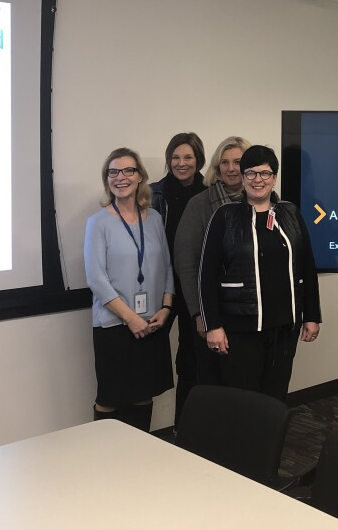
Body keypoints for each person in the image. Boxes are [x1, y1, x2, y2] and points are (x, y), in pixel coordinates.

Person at [197, 145, 321, 402]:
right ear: (242, 178)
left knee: (275, 398)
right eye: (251, 173)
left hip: (284, 327)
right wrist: (213, 326)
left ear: (274, 178)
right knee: (243, 400)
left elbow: (307, 266)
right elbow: (206, 275)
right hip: (241, 328)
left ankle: (271, 432)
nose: (258, 180)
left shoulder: (290, 213)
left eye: (265, 173)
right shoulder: (225, 216)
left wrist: (311, 315)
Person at [84, 148, 174, 431]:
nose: (120, 177)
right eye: (113, 172)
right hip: (114, 324)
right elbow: (96, 279)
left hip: (152, 322)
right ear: (107, 179)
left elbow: (167, 266)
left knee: (143, 395)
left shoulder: (155, 218)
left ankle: (139, 452)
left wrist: (166, 307)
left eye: (128, 170)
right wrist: (130, 318)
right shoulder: (98, 223)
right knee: (109, 397)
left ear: (140, 177)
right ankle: (105, 455)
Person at [173, 136, 250, 386]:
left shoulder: (264, 202)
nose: (231, 168)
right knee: (214, 382)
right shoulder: (200, 204)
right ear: (217, 167)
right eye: (224, 163)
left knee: (247, 382)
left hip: (251, 312)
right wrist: (199, 313)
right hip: (213, 311)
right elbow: (186, 263)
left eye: (238, 162)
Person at [149, 132, 206, 427]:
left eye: (188, 157)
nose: (181, 163)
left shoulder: (210, 194)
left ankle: (185, 429)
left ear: (199, 160)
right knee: (147, 355)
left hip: (194, 287)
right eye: (175, 157)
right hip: (161, 288)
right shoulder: (153, 194)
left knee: (191, 360)